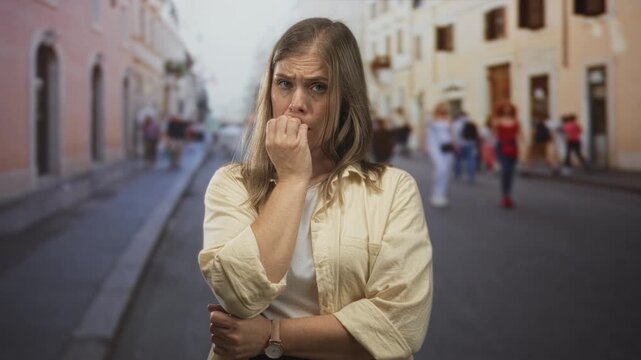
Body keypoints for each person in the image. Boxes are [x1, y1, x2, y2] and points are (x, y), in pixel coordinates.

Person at [198, 18, 433, 360]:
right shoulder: (232, 184)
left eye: (318, 87)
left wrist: (271, 334)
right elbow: (239, 295)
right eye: (284, 83)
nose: (296, 103)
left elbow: (400, 325)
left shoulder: (393, 189)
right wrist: (293, 179)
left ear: (346, 98)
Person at [493, 100, 523, 209]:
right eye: (505, 107)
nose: (507, 109)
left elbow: (520, 135)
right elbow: (494, 136)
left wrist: (524, 148)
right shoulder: (497, 120)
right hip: (502, 146)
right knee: (505, 170)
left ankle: (508, 195)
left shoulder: (516, 121)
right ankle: (505, 196)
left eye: (509, 107)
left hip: (513, 146)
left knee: (510, 172)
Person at [425, 102, 455, 207]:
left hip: (447, 149)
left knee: (446, 172)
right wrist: (428, 148)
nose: (444, 109)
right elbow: (429, 136)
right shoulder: (432, 120)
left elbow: (451, 134)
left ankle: (442, 194)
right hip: (436, 148)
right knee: (440, 169)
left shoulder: (448, 119)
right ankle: (436, 193)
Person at [452, 111, 478, 183]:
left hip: (460, 143)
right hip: (470, 143)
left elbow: (454, 134)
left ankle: (458, 174)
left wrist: (455, 144)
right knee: (471, 160)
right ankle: (471, 176)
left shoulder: (456, 123)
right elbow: (476, 133)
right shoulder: (470, 122)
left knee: (458, 159)